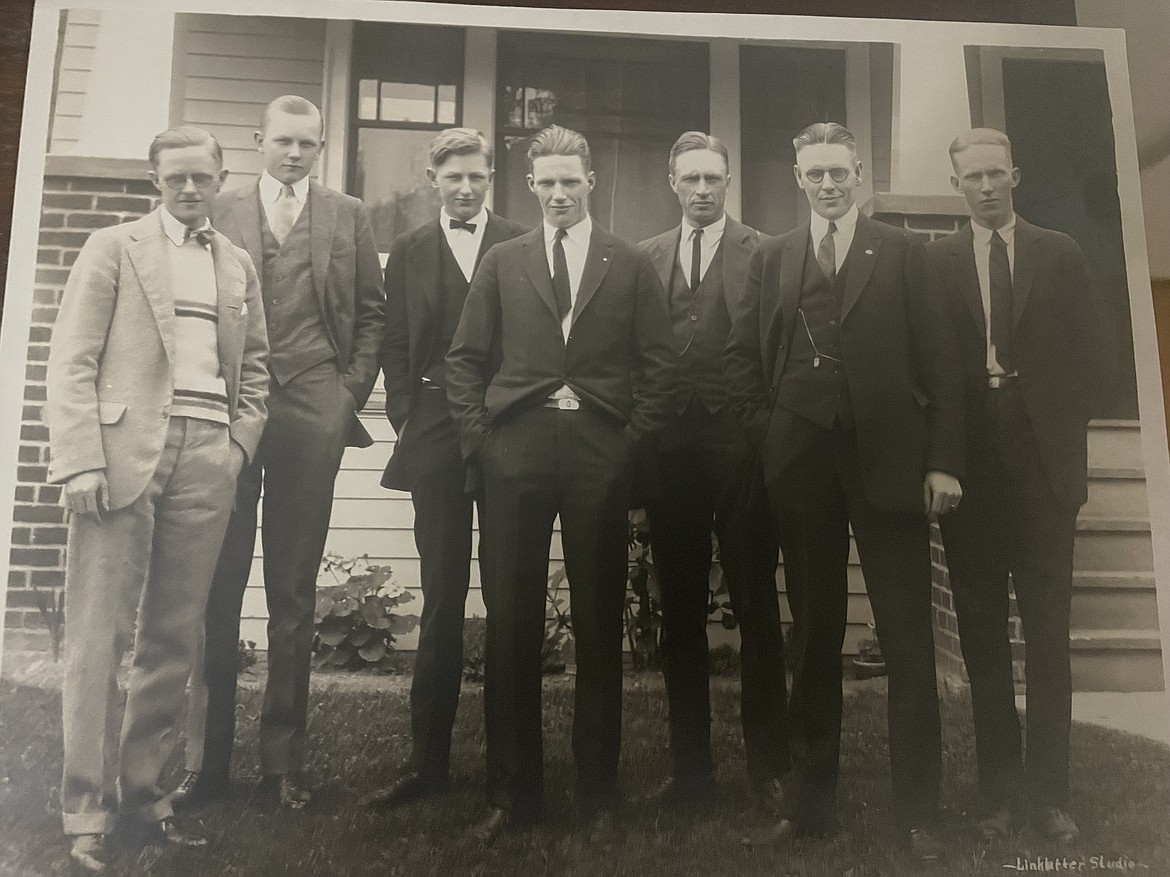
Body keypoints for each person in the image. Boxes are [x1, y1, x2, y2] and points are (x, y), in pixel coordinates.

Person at [723, 121, 964, 862]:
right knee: (815, 631)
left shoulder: (902, 252)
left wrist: (942, 461)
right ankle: (811, 800)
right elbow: (743, 353)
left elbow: (943, 363)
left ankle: (918, 810)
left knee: (907, 637)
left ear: (859, 172)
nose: (828, 183)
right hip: (800, 464)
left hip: (890, 464)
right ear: (798, 177)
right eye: (815, 172)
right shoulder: (774, 255)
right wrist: (771, 433)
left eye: (840, 171)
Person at [45, 126, 269, 872]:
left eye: (201, 177)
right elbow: (71, 359)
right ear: (155, 179)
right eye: (175, 178)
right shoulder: (115, 247)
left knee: (175, 637)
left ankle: (146, 797)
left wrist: (236, 445)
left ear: (220, 177)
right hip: (120, 455)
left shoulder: (235, 262)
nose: (188, 190)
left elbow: (258, 369)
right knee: (100, 633)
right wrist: (79, 459)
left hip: (208, 453)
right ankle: (86, 809)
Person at [446, 125, 678, 843]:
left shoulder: (629, 262)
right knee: (511, 620)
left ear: (590, 182)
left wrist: (627, 444)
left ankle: (598, 793)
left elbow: (660, 364)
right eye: (544, 183)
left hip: (597, 453)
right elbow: (464, 361)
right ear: (531, 186)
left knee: (599, 619)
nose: (556, 195)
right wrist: (483, 444)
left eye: (569, 182)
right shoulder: (504, 260)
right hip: (516, 448)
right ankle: (513, 793)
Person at [174, 95, 384, 810]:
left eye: (309, 143)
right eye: (283, 141)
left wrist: (346, 393)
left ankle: (281, 763)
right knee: (217, 581)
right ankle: (206, 765)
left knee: (292, 588)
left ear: (322, 146)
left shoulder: (349, 213)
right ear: (258, 139)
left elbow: (372, 311)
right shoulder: (218, 207)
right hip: (233, 409)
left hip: (313, 403)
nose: (295, 153)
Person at [926, 128, 1114, 843]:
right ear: (956, 184)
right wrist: (942, 456)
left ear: (1017, 175)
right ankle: (1001, 791)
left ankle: (1050, 794)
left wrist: (1050, 421)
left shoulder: (1058, 253)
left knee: (1046, 633)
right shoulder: (938, 261)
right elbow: (930, 366)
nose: (986, 186)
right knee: (981, 633)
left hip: (1042, 468)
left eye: (997, 173)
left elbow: (1099, 361)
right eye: (972, 176)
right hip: (970, 468)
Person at [361, 128, 527, 809]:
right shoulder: (409, 249)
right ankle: (428, 765)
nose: (465, 187)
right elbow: (395, 340)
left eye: (477, 176)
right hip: (431, 436)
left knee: (509, 600)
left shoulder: (518, 244)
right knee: (441, 598)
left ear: (491, 176)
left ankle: (508, 771)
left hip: (506, 433)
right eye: (453, 176)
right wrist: (403, 412)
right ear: (434, 177)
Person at [635, 131, 791, 815]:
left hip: (740, 449)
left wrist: (763, 433)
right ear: (672, 182)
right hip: (671, 452)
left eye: (714, 178)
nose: (702, 190)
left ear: (729, 182)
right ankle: (690, 769)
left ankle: (770, 768)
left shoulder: (765, 253)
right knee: (681, 614)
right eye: (691, 178)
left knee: (757, 606)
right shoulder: (646, 258)